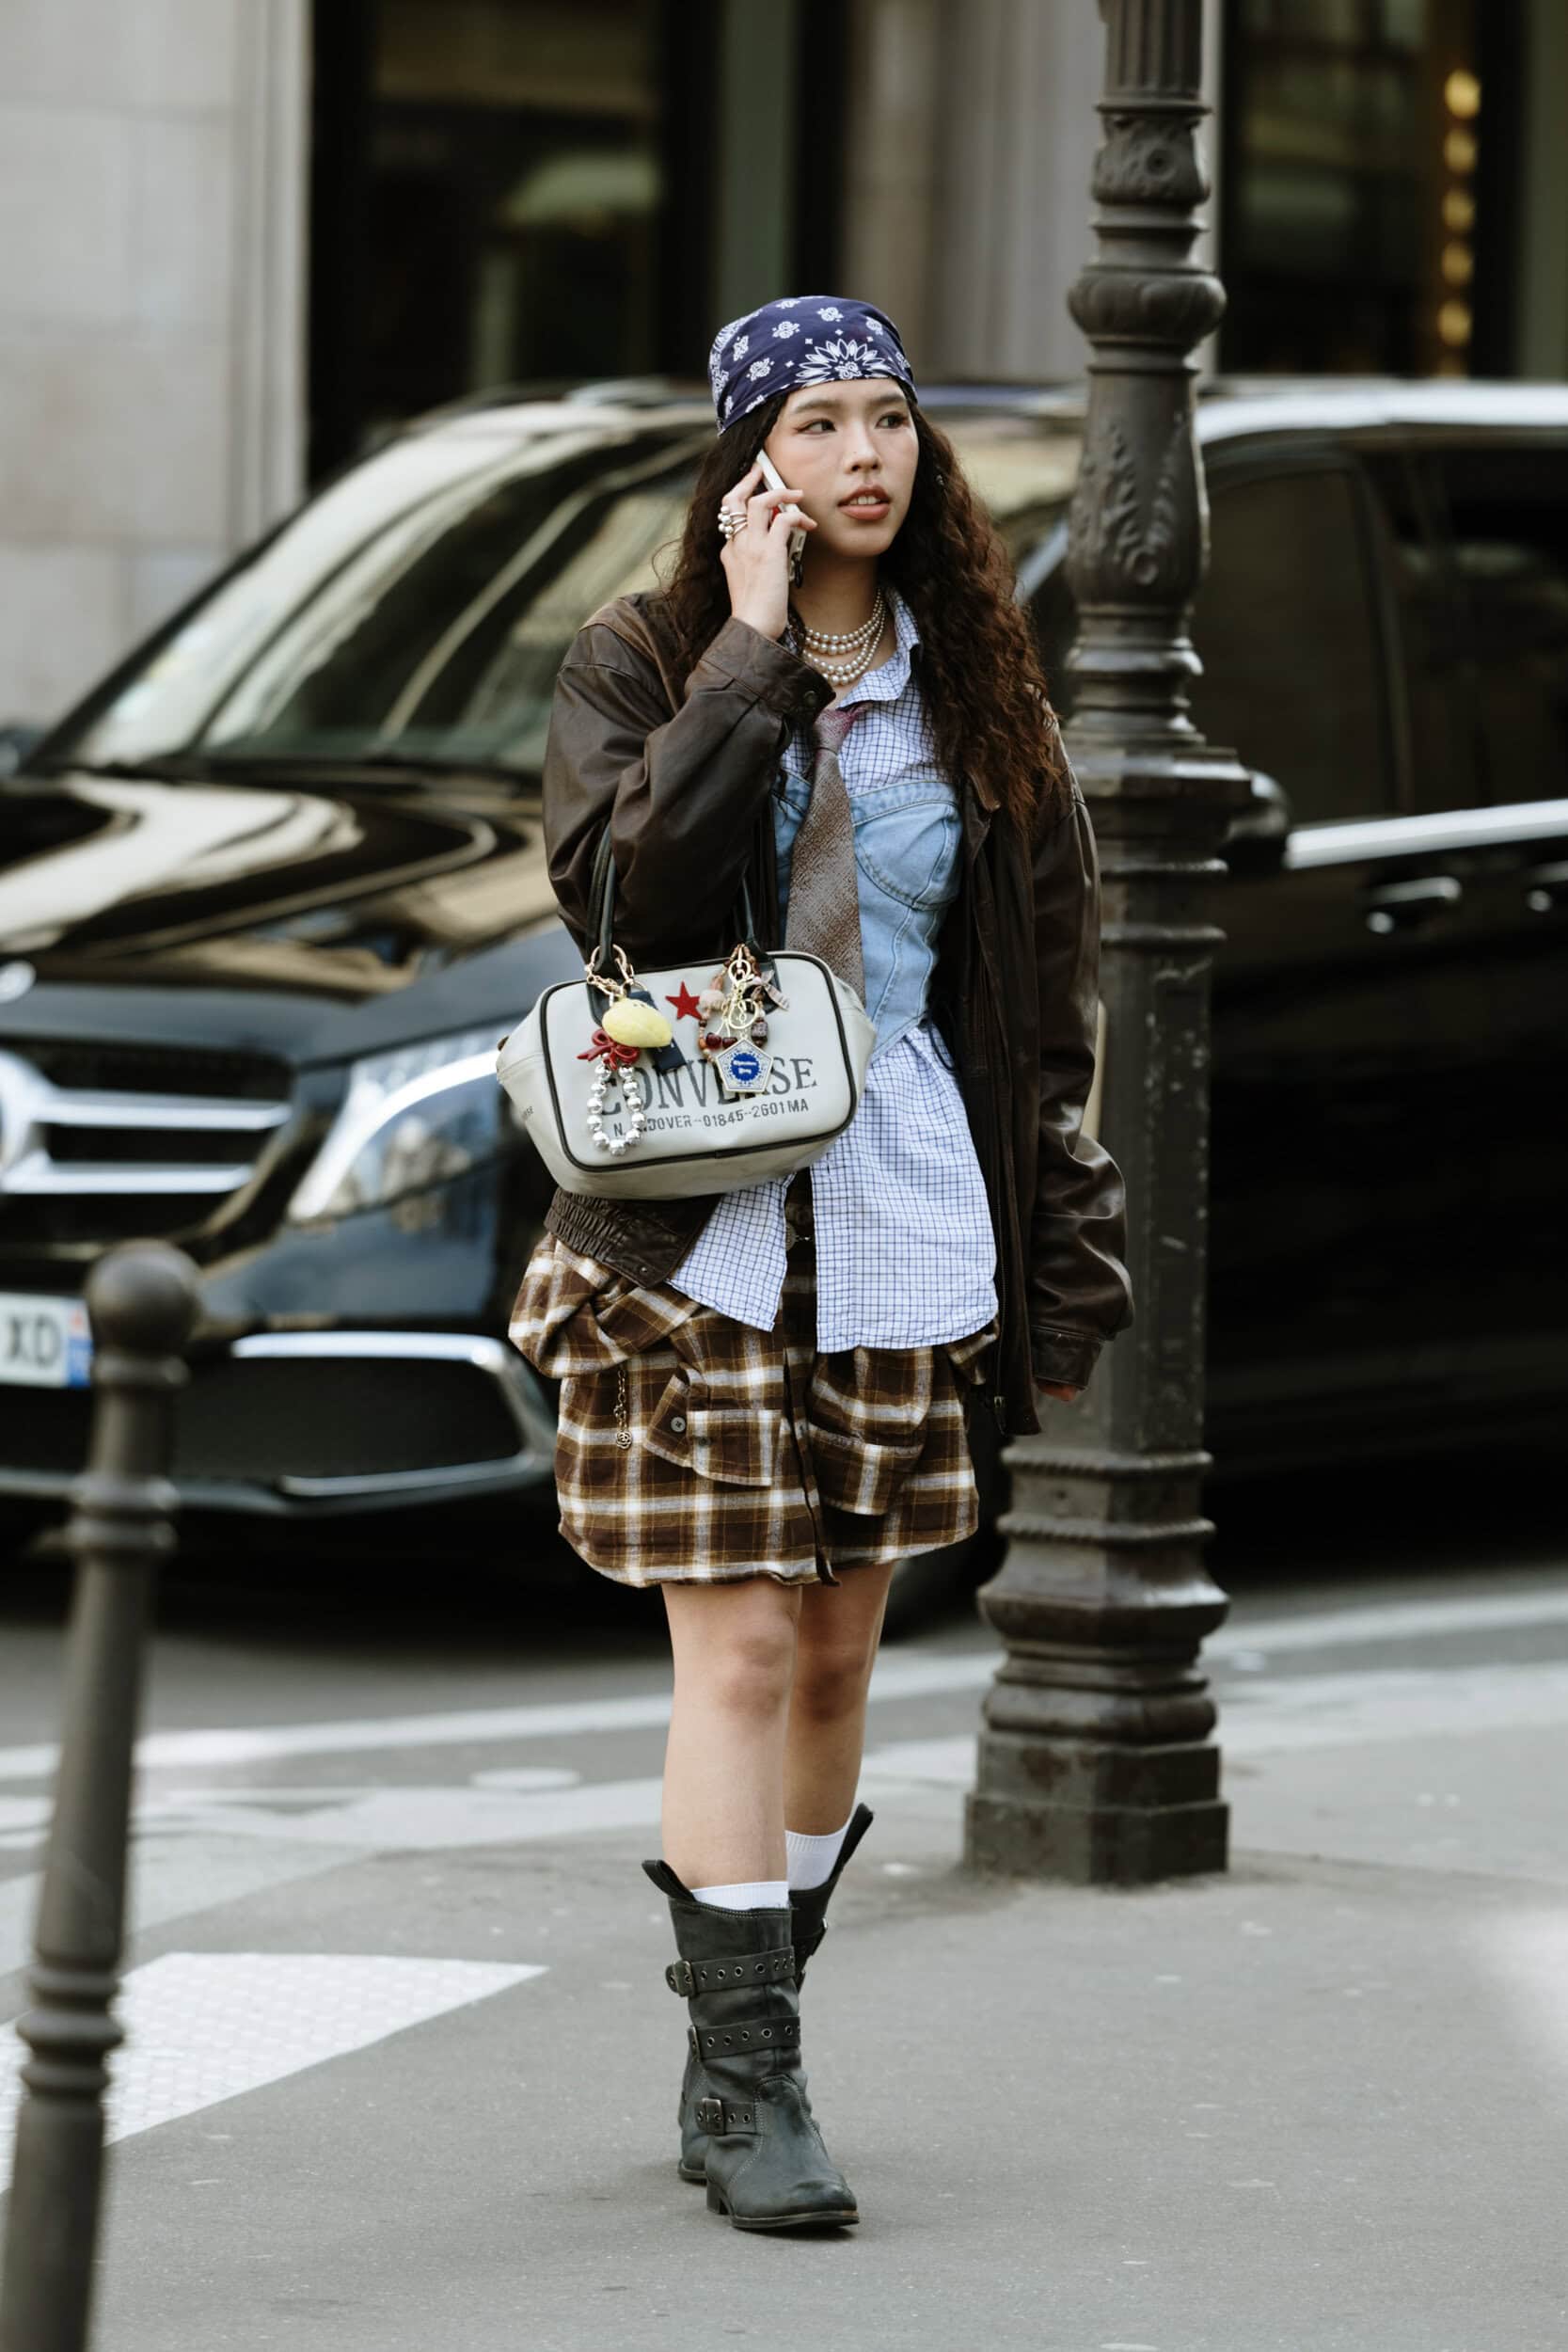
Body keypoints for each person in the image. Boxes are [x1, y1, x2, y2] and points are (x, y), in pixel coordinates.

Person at [509, 294, 1132, 2233]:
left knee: (847, 1642)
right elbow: (637, 896)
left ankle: (742, 2007)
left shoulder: (980, 691)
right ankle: (757, 2076)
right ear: (754, 459)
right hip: (695, 1217)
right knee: (750, 1634)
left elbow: (1036, 1004)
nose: (868, 452)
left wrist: (1069, 1246)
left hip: (906, 1209)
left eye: (892, 417)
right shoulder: (645, 657)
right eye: (824, 420)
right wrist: (758, 657)